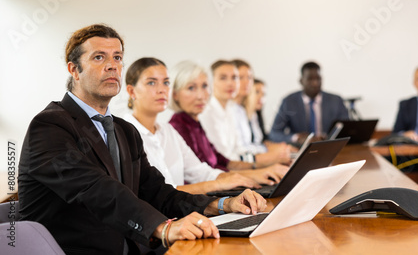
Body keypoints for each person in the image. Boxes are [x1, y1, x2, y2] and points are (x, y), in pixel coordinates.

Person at [18, 24, 266, 255]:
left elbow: (158, 193)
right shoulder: (49, 126)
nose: (112, 65)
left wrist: (223, 204)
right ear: (74, 70)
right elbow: (95, 189)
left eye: (117, 57)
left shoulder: (124, 130)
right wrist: (163, 227)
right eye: (99, 57)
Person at [124, 57, 261, 195]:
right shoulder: (124, 134)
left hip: (181, 209)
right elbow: (158, 193)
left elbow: (199, 171)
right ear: (131, 91)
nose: (162, 90)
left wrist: (236, 178)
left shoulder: (168, 131)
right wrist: (221, 183)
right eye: (151, 83)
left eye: (166, 82)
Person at [168, 60, 288, 186]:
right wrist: (257, 171)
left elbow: (222, 161)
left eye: (204, 86)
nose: (200, 95)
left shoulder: (194, 122)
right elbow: (203, 174)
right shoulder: (179, 126)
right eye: (191, 88)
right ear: (175, 94)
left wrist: (259, 170)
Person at [198, 60, 290, 167]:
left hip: (238, 166)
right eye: (223, 78)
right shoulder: (206, 113)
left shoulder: (230, 110)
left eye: (234, 78)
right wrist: (266, 158)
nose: (230, 83)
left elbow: (239, 148)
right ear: (210, 82)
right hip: (224, 171)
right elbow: (224, 158)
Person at [269, 61, 349, 146]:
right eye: (310, 79)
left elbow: (348, 129)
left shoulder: (336, 100)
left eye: (318, 79)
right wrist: (297, 138)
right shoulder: (289, 102)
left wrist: (329, 137)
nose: (315, 83)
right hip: (300, 150)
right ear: (301, 81)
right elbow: (274, 133)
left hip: (330, 148)